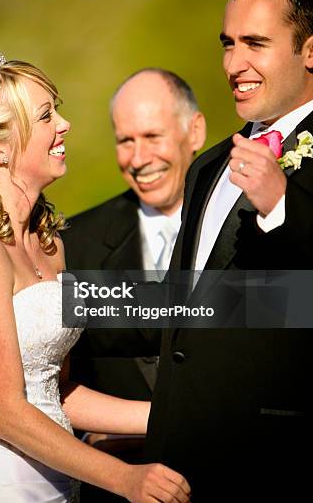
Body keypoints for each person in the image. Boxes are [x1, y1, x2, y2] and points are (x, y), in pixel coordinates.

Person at [0, 51, 192, 503]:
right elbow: (6, 414)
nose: (65, 124)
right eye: (45, 116)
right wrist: (124, 478)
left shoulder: (48, 243)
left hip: (57, 483)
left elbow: (54, 394)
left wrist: (172, 414)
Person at [145, 0, 313, 502]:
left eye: (256, 43)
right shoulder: (208, 165)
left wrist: (283, 208)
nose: (233, 64)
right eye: (228, 44)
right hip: (179, 464)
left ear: (310, 51)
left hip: (277, 463)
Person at [63, 69, 205, 500]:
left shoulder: (247, 223)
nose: (139, 158)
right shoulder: (75, 242)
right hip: (117, 486)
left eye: (153, 136)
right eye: (126, 141)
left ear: (193, 131)